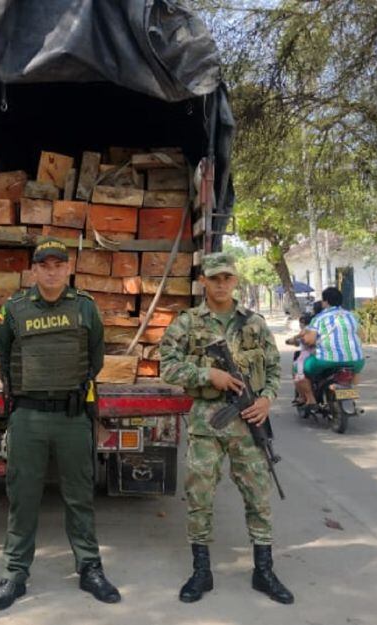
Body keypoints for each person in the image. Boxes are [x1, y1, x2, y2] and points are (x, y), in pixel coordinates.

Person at [0, 237, 120, 611]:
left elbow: (95, 358)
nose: (51, 271)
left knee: (80, 495)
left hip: (73, 415)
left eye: (58, 264)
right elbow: (3, 357)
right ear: (34, 270)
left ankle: (89, 567)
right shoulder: (13, 309)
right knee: (22, 496)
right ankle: (15, 572)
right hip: (27, 416)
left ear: (68, 269)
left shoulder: (85, 308)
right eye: (43, 265)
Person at [159, 252, 294, 605]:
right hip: (207, 425)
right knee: (200, 498)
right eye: (214, 278)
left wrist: (266, 399)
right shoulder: (187, 323)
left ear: (235, 281)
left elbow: (274, 368)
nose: (221, 284)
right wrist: (209, 375)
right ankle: (201, 571)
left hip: (250, 424)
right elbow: (168, 367)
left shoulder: (255, 323)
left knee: (258, 498)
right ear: (203, 280)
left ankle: (263, 570)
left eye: (227, 278)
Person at [300, 286, 365, 382]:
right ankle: (352, 391)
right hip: (356, 361)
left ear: (326, 302)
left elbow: (310, 341)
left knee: (301, 369)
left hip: (326, 361)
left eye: (323, 300)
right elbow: (362, 337)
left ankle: (310, 397)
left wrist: (303, 339)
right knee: (355, 372)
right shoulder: (352, 316)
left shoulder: (319, 318)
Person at [288, 302, 322, 407]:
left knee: (297, 369)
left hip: (313, 354)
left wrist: (293, 339)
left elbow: (304, 339)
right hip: (336, 356)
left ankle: (307, 397)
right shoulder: (336, 320)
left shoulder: (315, 323)